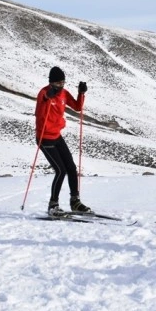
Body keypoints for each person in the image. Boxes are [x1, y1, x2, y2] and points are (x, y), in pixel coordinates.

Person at [35, 66, 91, 216]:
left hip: (56, 135)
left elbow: (77, 107)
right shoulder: (44, 93)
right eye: (58, 83)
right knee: (61, 170)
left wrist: (81, 93)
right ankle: (53, 205)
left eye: (63, 83)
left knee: (71, 168)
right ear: (51, 82)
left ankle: (75, 202)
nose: (61, 86)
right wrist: (47, 98)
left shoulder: (64, 93)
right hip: (44, 137)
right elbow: (39, 114)